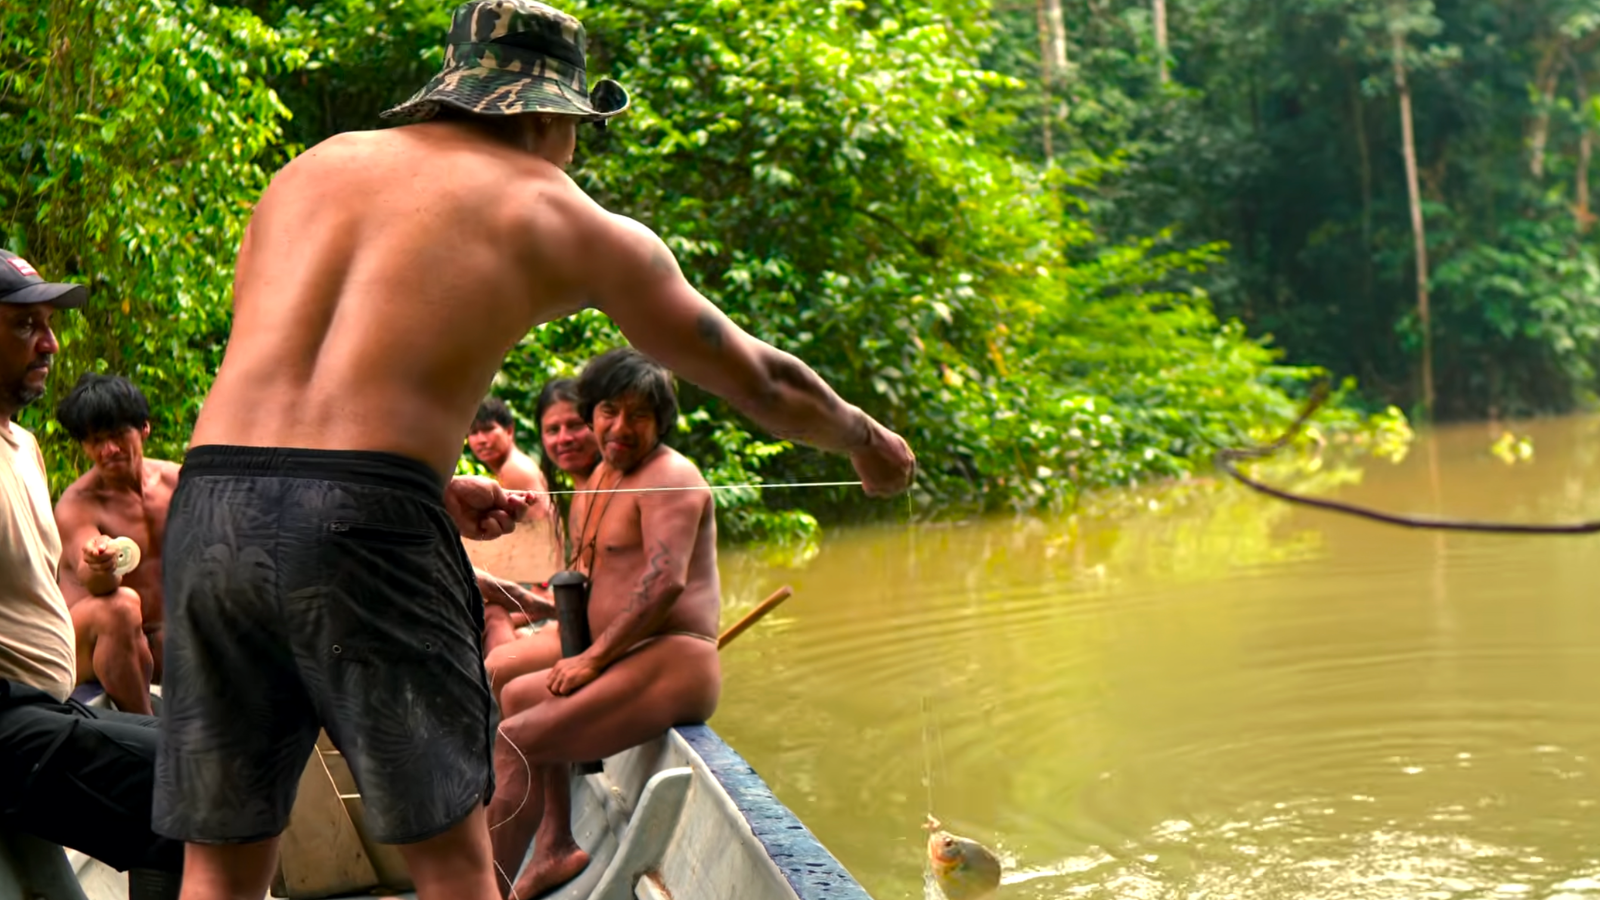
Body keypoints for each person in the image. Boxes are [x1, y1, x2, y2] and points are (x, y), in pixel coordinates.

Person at [152, 0, 915, 897]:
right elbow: (759, 379)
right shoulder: (555, 209)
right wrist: (865, 438)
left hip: (209, 509)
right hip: (370, 521)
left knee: (223, 862)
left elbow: (296, 416)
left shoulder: (309, 172)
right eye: (576, 130)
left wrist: (431, 491)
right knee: (450, 862)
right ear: (548, 115)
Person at [488, 348, 721, 898]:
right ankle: (553, 844)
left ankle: (477, 891)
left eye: (639, 415)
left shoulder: (671, 475)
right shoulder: (597, 482)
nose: (621, 427)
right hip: (621, 650)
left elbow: (664, 582)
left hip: (673, 656)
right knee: (519, 696)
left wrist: (591, 659)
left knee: (515, 738)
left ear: (661, 422)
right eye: (610, 411)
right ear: (594, 412)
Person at [0, 248, 185, 886]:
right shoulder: (80, 501)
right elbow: (94, 583)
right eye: (25, 325)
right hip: (9, 714)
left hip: (46, 706)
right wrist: (102, 570)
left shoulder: (21, 446)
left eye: (49, 325)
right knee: (198, 775)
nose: (48, 343)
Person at [52, 373, 181, 716]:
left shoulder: (178, 483)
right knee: (120, 607)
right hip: (86, 645)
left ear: (144, 428)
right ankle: (147, 734)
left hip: (158, 642)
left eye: (116, 436)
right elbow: (93, 580)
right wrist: (102, 562)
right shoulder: (77, 503)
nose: (107, 450)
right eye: (95, 441)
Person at [481, 377, 602, 691]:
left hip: (561, 597)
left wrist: (534, 607)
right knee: (491, 614)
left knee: (492, 628)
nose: (564, 439)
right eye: (552, 430)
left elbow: (542, 550)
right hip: (560, 594)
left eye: (575, 425)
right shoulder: (579, 489)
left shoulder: (514, 470)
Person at [467, 396, 547, 492]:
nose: (481, 440)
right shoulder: (508, 468)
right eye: (473, 432)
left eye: (488, 429)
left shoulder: (514, 470)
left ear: (509, 431)